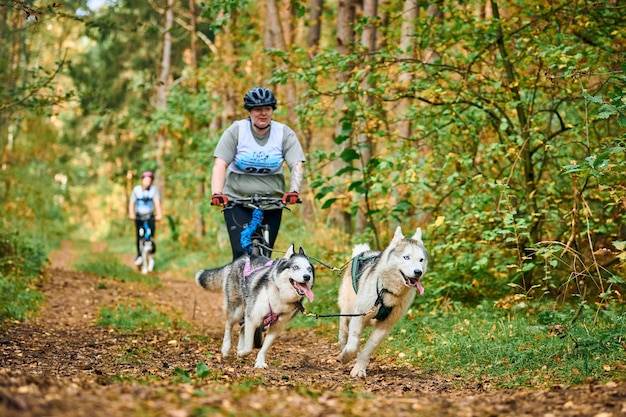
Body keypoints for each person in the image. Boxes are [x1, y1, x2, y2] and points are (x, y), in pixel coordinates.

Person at [210, 86, 306, 260]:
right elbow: (220, 163)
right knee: (241, 254)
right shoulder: (237, 131)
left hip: (272, 202)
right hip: (237, 200)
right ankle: (237, 285)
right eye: (258, 109)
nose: (263, 113)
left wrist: (294, 191)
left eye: (267, 109)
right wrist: (217, 193)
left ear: (272, 111)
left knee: (266, 256)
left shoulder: (283, 133)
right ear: (250, 112)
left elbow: (296, 164)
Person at [128, 171, 163, 267]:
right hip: (139, 216)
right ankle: (139, 255)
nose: (148, 181)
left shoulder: (154, 190)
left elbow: (157, 202)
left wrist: (159, 214)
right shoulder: (136, 190)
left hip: (150, 216)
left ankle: (151, 256)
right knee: (139, 236)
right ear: (142, 180)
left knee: (150, 236)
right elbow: (132, 203)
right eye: (146, 179)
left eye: (150, 180)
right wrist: (131, 214)